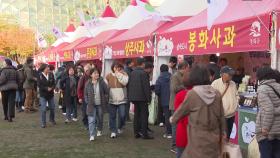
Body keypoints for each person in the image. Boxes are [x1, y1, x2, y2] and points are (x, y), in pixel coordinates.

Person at [170, 64, 225, 158]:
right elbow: (221, 118)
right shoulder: (217, 94)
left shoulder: (192, 94)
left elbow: (177, 115)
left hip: (197, 141)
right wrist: (222, 134)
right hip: (214, 140)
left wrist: (171, 119)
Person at [256, 66, 280, 158]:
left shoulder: (262, 89)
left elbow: (268, 109)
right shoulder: (279, 86)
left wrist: (265, 128)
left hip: (268, 131)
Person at [128, 58, 153, 139]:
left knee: (136, 115)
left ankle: (136, 133)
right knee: (144, 115)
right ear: (143, 64)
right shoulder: (144, 73)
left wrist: (131, 97)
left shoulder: (132, 73)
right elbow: (146, 87)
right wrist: (149, 98)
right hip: (142, 97)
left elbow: (130, 85)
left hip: (134, 97)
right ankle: (144, 134)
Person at [211, 66, 239, 140]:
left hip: (231, 115)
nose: (231, 76)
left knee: (228, 137)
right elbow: (211, 99)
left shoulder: (233, 83)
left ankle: (225, 150)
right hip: (221, 116)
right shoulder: (215, 83)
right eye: (229, 74)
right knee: (221, 137)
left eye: (231, 74)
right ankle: (220, 151)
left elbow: (236, 95)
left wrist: (236, 103)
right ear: (222, 74)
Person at [169, 61, 189, 153]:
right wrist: (184, 86)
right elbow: (174, 88)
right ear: (184, 67)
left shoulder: (181, 75)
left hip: (181, 104)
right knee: (175, 126)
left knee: (180, 126)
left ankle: (178, 145)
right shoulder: (175, 76)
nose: (188, 70)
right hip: (175, 104)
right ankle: (174, 146)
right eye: (187, 68)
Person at [84, 68, 109, 141]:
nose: (96, 74)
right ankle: (92, 134)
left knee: (100, 118)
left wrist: (105, 99)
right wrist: (87, 101)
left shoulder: (101, 82)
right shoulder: (88, 83)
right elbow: (85, 94)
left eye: (97, 73)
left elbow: (106, 92)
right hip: (91, 105)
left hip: (100, 104)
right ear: (91, 75)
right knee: (91, 120)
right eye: (94, 73)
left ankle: (99, 129)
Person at [106, 62, 129, 138]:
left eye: (119, 67)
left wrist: (119, 74)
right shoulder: (108, 75)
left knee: (122, 115)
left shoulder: (124, 75)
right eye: (115, 67)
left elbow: (125, 83)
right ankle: (113, 131)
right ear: (112, 68)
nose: (117, 69)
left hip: (122, 99)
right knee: (112, 116)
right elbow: (106, 86)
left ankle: (120, 126)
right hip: (112, 99)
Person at [155, 64, 172, 139]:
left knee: (167, 116)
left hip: (164, 100)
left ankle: (169, 133)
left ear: (160, 70)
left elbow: (157, 90)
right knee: (174, 116)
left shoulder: (159, 78)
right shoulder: (173, 76)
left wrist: (160, 95)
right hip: (173, 99)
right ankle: (174, 132)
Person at [37, 64, 56, 128]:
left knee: (52, 108)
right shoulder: (39, 75)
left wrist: (52, 88)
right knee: (43, 109)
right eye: (47, 68)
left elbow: (54, 83)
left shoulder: (51, 74)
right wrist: (46, 88)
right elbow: (39, 85)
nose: (48, 69)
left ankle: (52, 119)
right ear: (43, 68)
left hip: (51, 94)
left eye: (48, 67)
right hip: (43, 95)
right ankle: (43, 123)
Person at [77, 64, 92, 129]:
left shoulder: (92, 76)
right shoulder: (83, 77)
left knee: (91, 111)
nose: (89, 72)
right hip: (84, 97)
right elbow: (79, 88)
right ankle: (85, 123)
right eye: (87, 70)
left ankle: (91, 123)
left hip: (92, 97)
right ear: (85, 71)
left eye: (90, 70)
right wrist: (80, 97)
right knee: (85, 111)